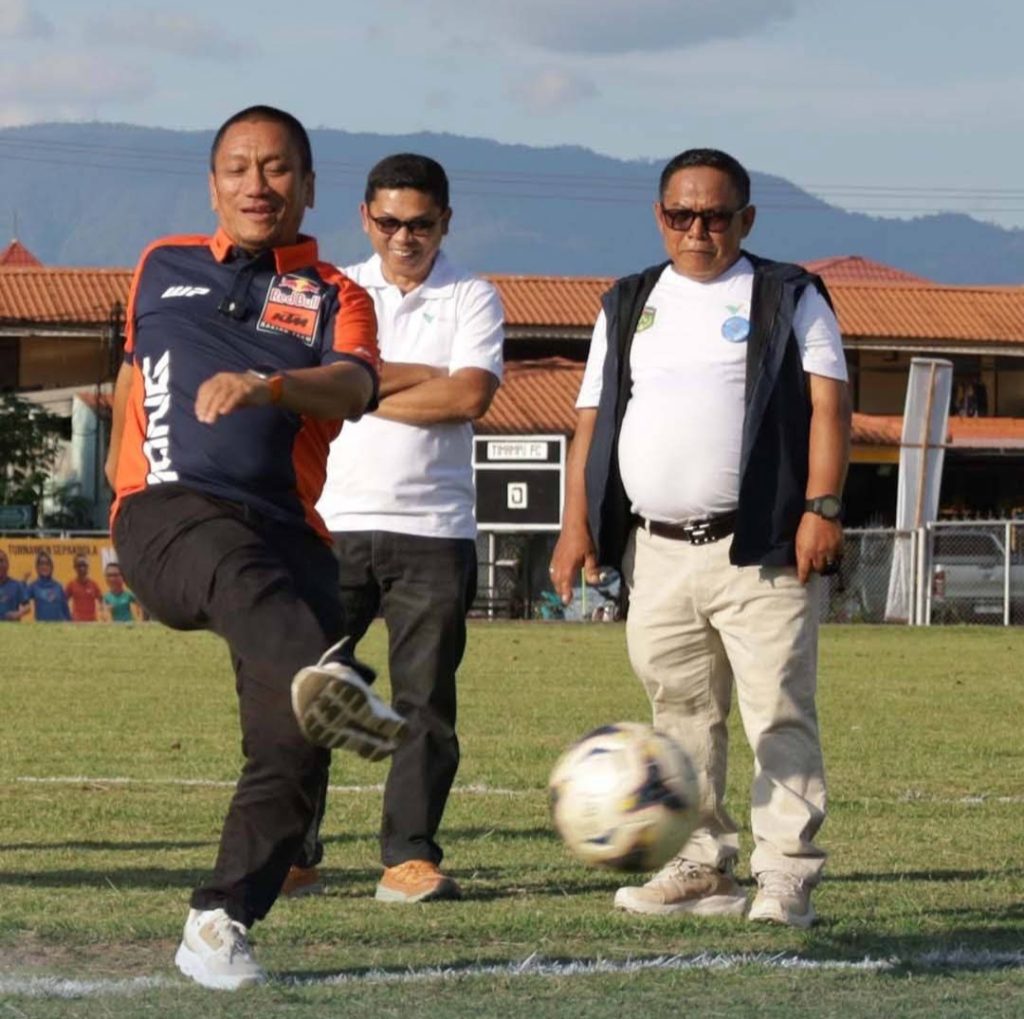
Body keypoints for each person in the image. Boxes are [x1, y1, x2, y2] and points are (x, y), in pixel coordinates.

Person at [105, 105, 416, 991]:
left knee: (291, 742)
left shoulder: (336, 295)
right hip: (167, 514)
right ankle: (340, 683)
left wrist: (270, 384)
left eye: (276, 168)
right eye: (238, 167)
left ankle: (222, 917)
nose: (256, 183)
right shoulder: (159, 266)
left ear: (308, 187)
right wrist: (114, 502)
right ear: (213, 185)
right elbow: (135, 376)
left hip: (288, 532)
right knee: (250, 586)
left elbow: (356, 385)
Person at [550, 148, 850, 929]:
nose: (697, 228)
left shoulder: (788, 295)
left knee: (777, 710)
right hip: (655, 551)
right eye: (680, 214)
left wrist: (823, 505)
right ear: (660, 217)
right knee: (678, 712)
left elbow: (828, 406)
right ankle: (700, 861)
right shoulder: (626, 301)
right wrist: (576, 523)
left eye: (714, 215)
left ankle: (785, 873)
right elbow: (590, 419)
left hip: (761, 548)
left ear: (745, 219)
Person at [285, 153, 503, 904]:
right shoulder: (331, 291)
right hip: (329, 523)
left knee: (425, 704)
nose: (404, 238)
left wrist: (358, 388)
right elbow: (306, 385)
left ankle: (408, 856)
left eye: (420, 223)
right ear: (364, 218)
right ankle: (294, 850)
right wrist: (408, 378)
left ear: (446, 219)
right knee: (306, 694)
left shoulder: (472, 295)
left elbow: (469, 395)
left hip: (435, 530)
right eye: (388, 223)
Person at [25, 551, 71, 622]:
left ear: (51, 567)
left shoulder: (58, 586)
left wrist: (70, 626)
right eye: (41, 564)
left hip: (59, 629)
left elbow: (66, 610)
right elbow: (21, 597)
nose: (44, 567)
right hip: (42, 630)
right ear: (37, 567)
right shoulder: (33, 586)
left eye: (47, 564)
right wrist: (23, 581)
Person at [65, 555, 103, 622]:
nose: (82, 568)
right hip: (77, 623)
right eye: (79, 565)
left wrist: (102, 616)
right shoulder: (71, 584)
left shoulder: (94, 585)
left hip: (92, 623)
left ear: (88, 567)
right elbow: (63, 602)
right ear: (74, 567)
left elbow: (102, 602)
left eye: (84, 565)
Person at [0, 548, 29, 621]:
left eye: (1, 561)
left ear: (7, 564)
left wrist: (18, 614)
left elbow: (27, 606)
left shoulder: (16, 585)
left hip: (11, 630)